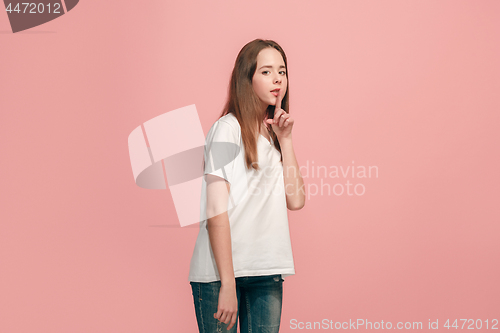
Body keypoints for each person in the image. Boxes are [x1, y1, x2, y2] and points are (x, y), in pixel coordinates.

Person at [189, 39, 305, 333]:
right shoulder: (226, 130)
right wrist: (227, 282)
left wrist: (287, 140)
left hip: (266, 271)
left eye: (282, 71)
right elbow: (216, 210)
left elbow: (296, 200)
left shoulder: (273, 137)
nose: (277, 78)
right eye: (266, 71)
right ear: (247, 77)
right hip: (220, 276)